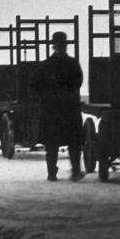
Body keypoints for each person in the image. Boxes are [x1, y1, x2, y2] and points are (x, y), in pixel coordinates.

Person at [30, 32, 84, 182]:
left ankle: (57, 173)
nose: (61, 47)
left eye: (62, 44)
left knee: (55, 143)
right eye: (60, 44)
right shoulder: (71, 63)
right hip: (66, 108)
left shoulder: (46, 65)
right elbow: (78, 82)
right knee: (68, 143)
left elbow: (35, 85)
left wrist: (46, 97)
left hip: (54, 109)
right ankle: (67, 172)